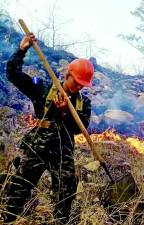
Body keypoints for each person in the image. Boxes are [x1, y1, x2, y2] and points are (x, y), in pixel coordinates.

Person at [1, 33, 94, 224]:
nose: (78, 88)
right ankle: (8, 219)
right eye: (75, 82)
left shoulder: (84, 102)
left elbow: (80, 129)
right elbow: (12, 74)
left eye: (82, 85)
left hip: (63, 152)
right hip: (37, 146)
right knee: (18, 189)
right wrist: (22, 49)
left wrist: (66, 113)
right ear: (67, 75)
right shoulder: (43, 89)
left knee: (66, 194)